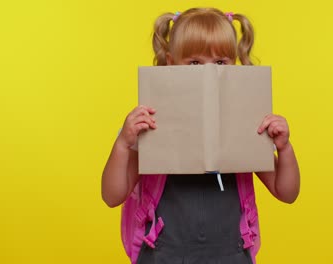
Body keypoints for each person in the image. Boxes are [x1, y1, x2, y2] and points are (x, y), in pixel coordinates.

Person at [101, 7, 300, 264]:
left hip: (231, 256)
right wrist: (122, 145)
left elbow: (286, 191)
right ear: (171, 64)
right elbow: (112, 195)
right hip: (163, 255)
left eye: (220, 63)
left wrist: (284, 149)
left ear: (233, 65)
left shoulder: (245, 121)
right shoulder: (149, 122)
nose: (208, 74)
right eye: (194, 63)